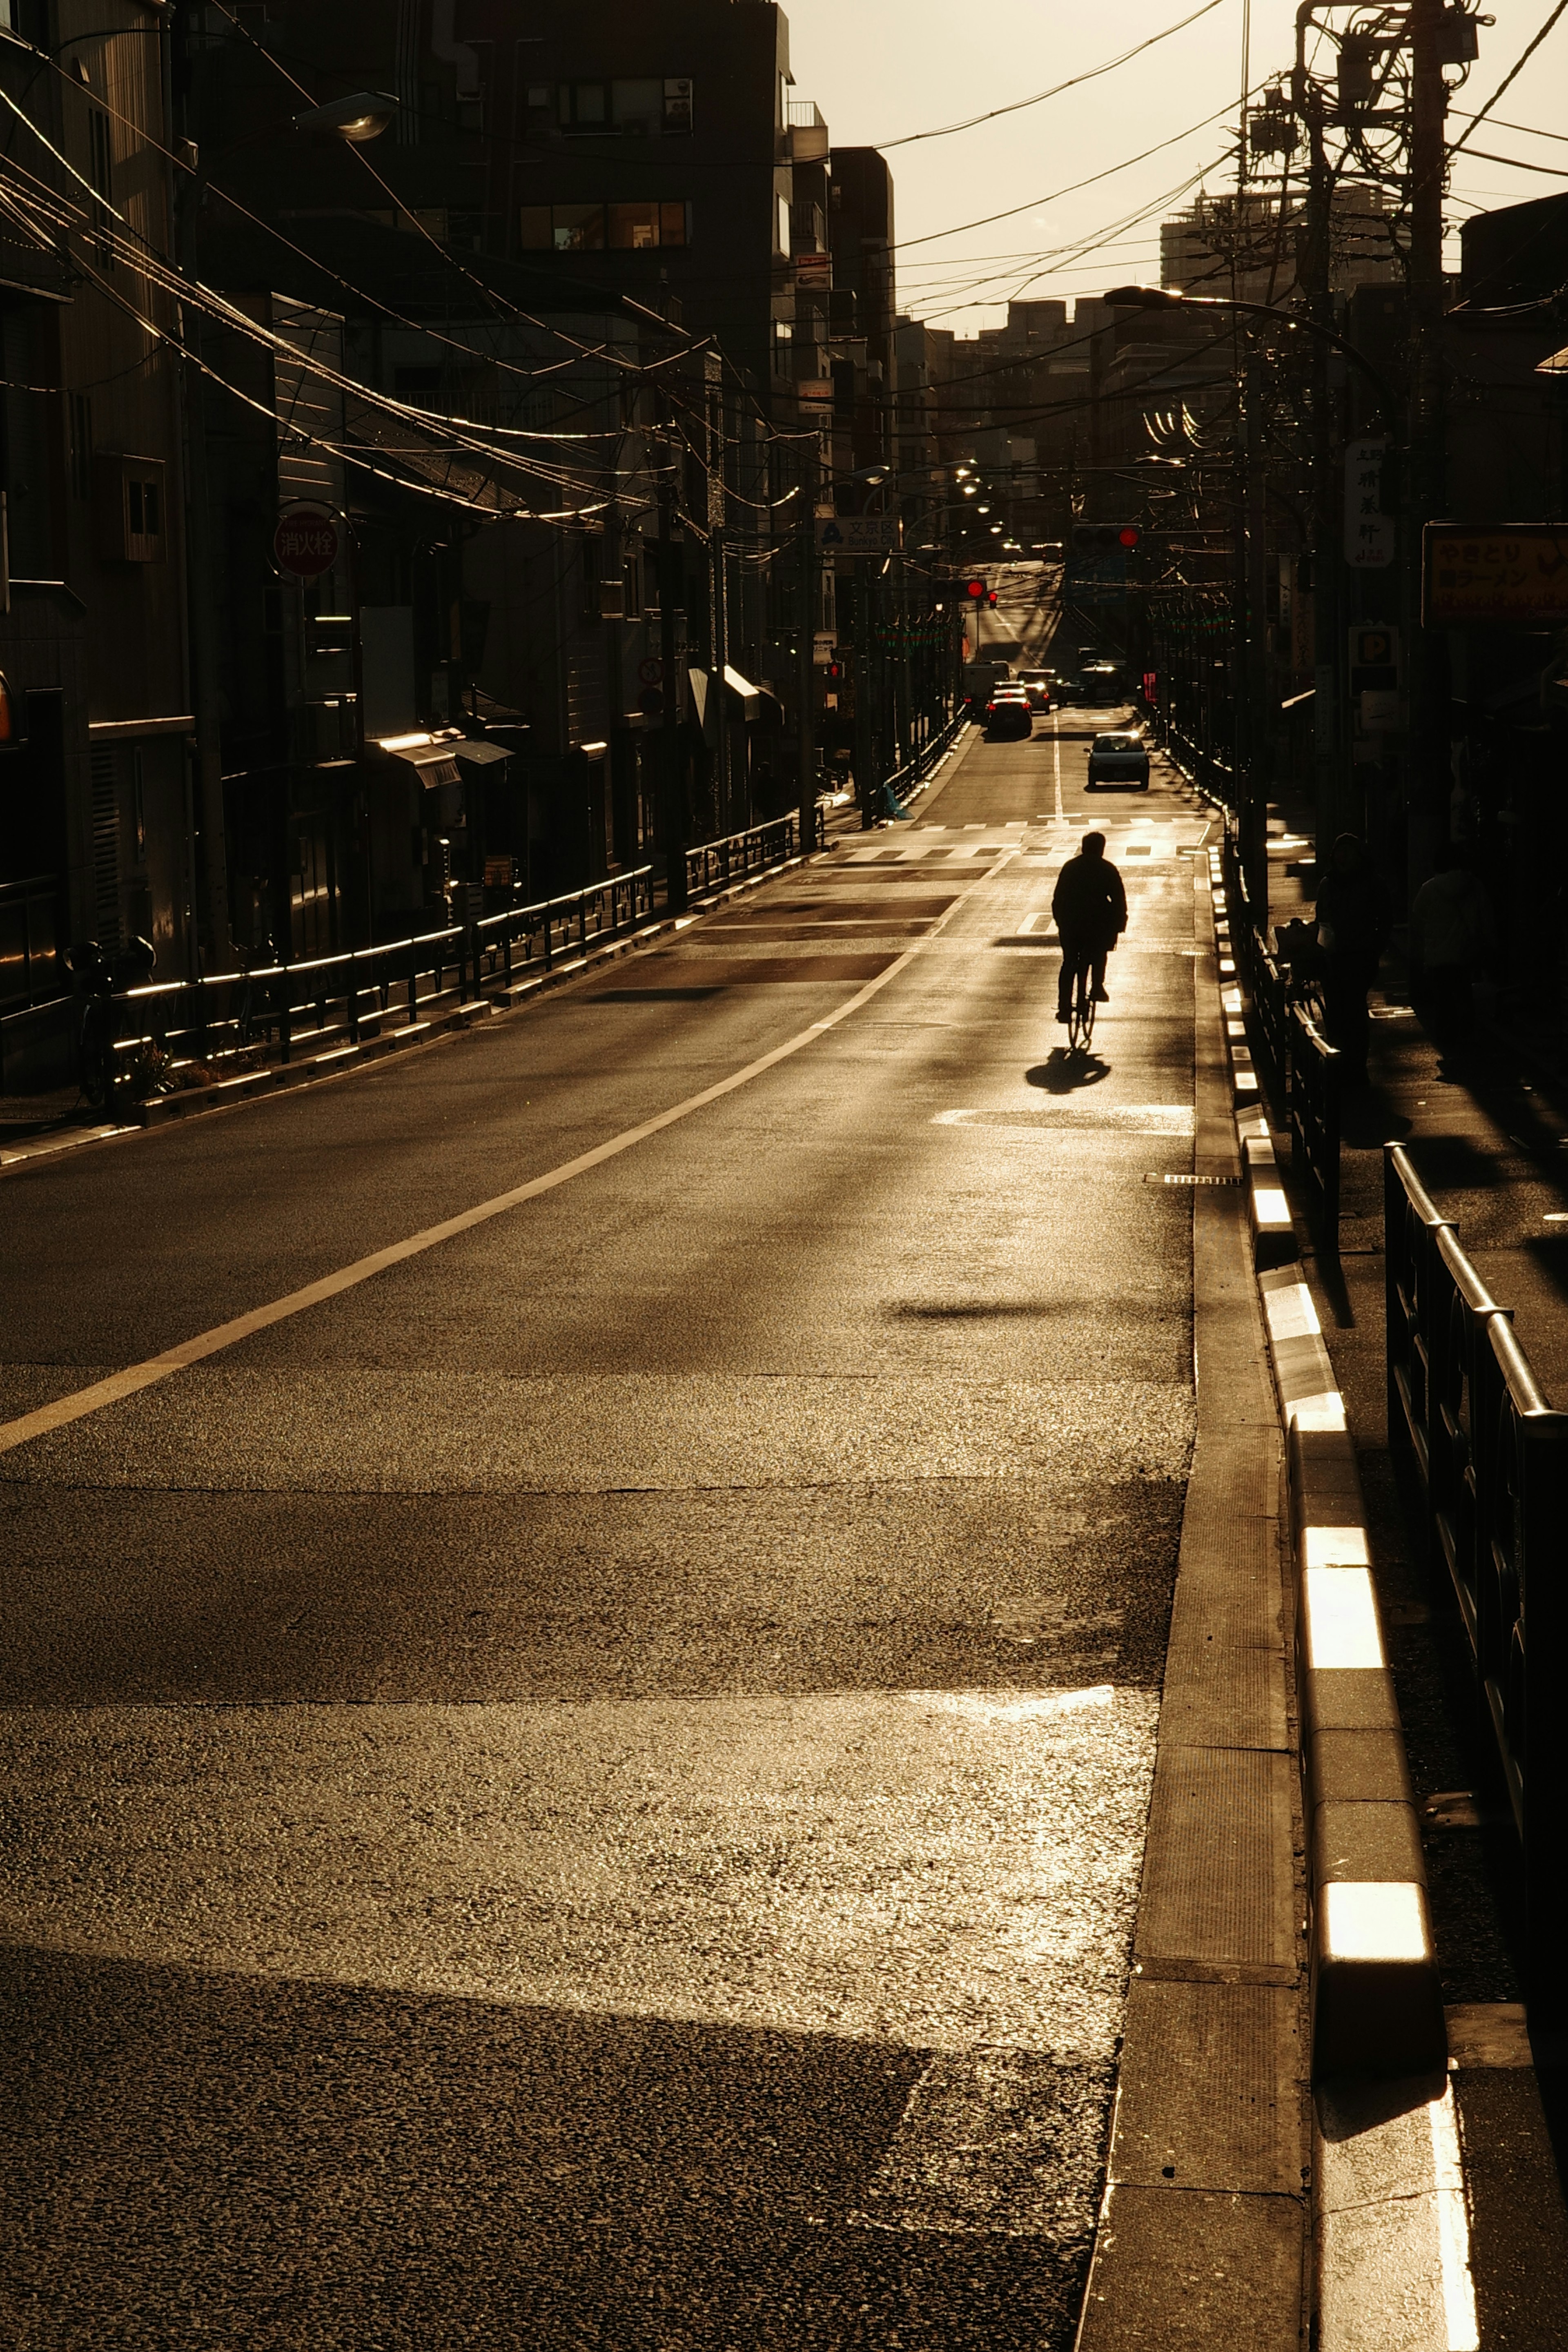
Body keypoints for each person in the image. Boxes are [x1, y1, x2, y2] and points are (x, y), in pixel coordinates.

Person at [1312, 832, 1390, 1082]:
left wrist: (1374, 947)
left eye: (1348, 853)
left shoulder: (1372, 883)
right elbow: (1321, 918)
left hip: (1360, 956)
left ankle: (1356, 1062)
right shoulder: (1328, 883)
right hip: (1334, 957)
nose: (1343, 858)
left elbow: (1384, 919)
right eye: (1340, 853)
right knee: (1335, 1010)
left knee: (1355, 1008)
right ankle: (1338, 1059)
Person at [1409, 843, 1495, 1039]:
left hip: (1437, 953)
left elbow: (1418, 917)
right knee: (1464, 993)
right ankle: (1466, 1033)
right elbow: (1486, 918)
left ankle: (1447, 1035)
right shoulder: (1475, 886)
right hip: (1465, 950)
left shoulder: (1429, 889)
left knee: (1443, 997)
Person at [1052, 830, 1127, 1023]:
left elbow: (1058, 898)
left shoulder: (1070, 868)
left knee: (1069, 963)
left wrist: (1060, 921)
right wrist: (1120, 922)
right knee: (1100, 952)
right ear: (1102, 849)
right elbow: (1119, 899)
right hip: (1097, 923)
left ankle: (1064, 1008)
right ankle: (1097, 986)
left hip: (1071, 923)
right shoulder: (1108, 869)